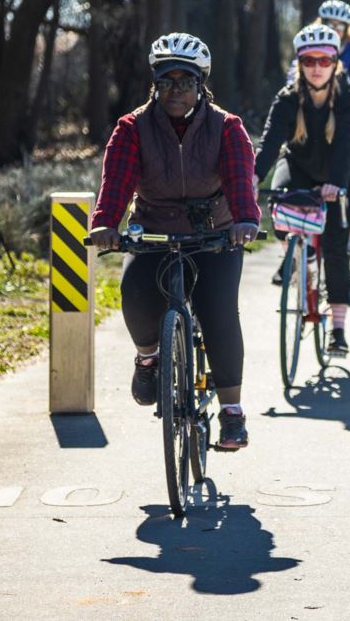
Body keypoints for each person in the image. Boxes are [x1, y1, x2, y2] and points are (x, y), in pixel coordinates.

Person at [88, 32, 261, 450]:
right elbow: (117, 183)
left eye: (186, 83)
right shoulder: (132, 128)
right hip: (154, 231)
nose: (175, 92)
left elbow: (240, 182)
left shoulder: (227, 127)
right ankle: (148, 358)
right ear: (154, 84)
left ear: (201, 85)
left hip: (214, 233)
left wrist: (245, 221)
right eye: (166, 82)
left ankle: (232, 413)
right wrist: (105, 224)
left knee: (219, 314)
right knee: (134, 295)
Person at [255, 24, 350, 355]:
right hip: (298, 168)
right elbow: (270, 143)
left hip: (338, 176)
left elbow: (346, 146)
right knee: (280, 208)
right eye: (309, 60)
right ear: (300, 63)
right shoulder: (288, 98)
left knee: (335, 246)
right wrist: (249, 182)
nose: (317, 67)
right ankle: (301, 254)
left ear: (335, 63)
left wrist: (337, 183)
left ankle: (338, 329)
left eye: (325, 60)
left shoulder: (349, 97)